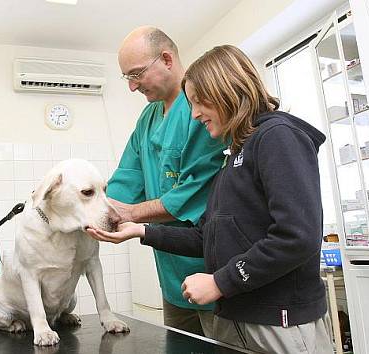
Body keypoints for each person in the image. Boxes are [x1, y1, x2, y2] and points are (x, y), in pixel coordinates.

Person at [88, 45, 333, 353]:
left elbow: (297, 238)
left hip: (278, 318)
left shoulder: (278, 137)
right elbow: (209, 236)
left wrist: (220, 282)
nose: (194, 114)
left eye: (199, 102)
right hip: (239, 315)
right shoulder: (234, 158)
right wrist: (141, 230)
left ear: (227, 90)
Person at [107, 26, 225, 335]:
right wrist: (97, 209)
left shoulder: (202, 112)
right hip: (171, 277)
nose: (132, 87)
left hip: (210, 274)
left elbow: (191, 196)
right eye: (127, 78)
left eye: (137, 74)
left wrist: (130, 214)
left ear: (167, 59)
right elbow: (127, 177)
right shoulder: (147, 118)